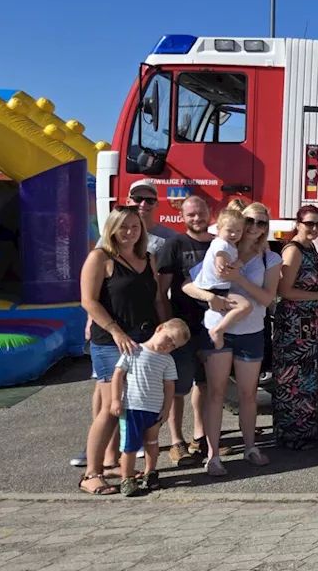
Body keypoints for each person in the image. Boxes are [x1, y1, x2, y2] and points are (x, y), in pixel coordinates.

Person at [183, 202, 282, 474]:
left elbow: (266, 298)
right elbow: (191, 285)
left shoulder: (269, 258)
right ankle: (213, 456)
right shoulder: (223, 247)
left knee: (248, 395)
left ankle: (251, 447)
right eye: (250, 221)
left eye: (262, 223)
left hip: (251, 332)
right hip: (219, 331)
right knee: (215, 394)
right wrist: (211, 297)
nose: (255, 228)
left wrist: (240, 277)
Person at [78, 207, 165, 495]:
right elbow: (89, 302)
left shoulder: (147, 259)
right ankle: (91, 474)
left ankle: (113, 463)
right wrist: (116, 331)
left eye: (135, 227)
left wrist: (165, 327)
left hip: (145, 342)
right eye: (124, 226)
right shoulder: (100, 258)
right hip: (110, 344)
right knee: (111, 408)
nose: (130, 232)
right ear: (112, 228)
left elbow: (157, 299)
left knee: (133, 406)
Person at [152, 195, 212, 468]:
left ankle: (199, 437)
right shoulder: (174, 245)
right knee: (177, 388)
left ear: (209, 213)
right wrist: (169, 325)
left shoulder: (217, 244)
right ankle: (177, 442)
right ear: (183, 217)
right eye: (191, 215)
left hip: (211, 326)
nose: (197, 218)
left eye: (201, 213)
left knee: (205, 384)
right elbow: (160, 291)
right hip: (182, 329)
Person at [273, 205, 318, 451]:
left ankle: (310, 431)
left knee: (312, 375)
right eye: (309, 223)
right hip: (294, 323)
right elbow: (284, 291)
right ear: (297, 224)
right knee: (296, 380)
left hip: (310, 322)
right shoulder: (293, 250)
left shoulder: (312, 247)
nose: (314, 228)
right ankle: (293, 436)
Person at [110, 319, 188, 496]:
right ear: (159, 328)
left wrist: (166, 409)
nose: (168, 345)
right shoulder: (133, 350)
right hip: (132, 408)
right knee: (129, 446)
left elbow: (170, 387)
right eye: (168, 339)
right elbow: (118, 375)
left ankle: (150, 472)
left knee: (152, 443)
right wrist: (116, 400)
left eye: (174, 346)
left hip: (154, 410)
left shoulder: (167, 361)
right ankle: (127, 478)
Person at [189, 208, 254, 351]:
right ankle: (218, 330)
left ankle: (219, 329)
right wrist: (235, 265)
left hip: (213, 287)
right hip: (214, 288)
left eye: (238, 231)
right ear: (218, 229)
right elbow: (222, 270)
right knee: (245, 306)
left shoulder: (226, 244)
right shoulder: (222, 245)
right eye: (229, 230)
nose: (234, 234)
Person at [123, 179, 179, 254]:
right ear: (128, 202)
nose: (143, 204)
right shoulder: (114, 234)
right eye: (137, 199)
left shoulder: (170, 237)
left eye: (150, 200)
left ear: (157, 204)